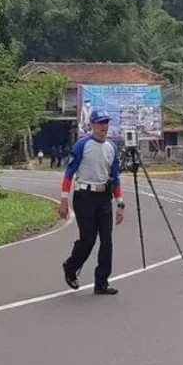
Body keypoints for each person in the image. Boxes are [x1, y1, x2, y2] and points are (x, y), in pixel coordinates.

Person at [58, 109, 125, 295]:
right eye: (100, 122)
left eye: (106, 122)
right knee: (88, 239)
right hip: (84, 195)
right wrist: (64, 200)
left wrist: (120, 203)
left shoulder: (111, 148)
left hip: (104, 196)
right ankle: (71, 266)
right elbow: (69, 173)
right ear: (93, 125)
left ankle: (101, 282)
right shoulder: (82, 145)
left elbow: (115, 177)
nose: (104, 126)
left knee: (107, 241)